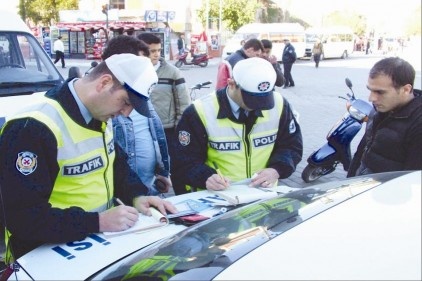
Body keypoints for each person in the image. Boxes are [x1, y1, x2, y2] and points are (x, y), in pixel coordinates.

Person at [0, 53, 177, 262]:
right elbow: (24, 217)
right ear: (104, 83)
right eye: (126, 102)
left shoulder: (99, 113)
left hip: (88, 247)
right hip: (42, 258)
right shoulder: (32, 127)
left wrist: (137, 195)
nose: (126, 113)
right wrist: (98, 222)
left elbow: (115, 164)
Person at [172, 57, 303, 194]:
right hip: (218, 197)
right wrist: (205, 176)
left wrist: (277, 170)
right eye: (251, 98)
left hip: (263, 194)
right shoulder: (200, 111)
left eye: (264, 98)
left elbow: (291, 145)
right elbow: (182, 160)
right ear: (232, 84)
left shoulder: (279, 104)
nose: (258, 106)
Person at [102, 35, 172, 196]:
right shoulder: (105, 108)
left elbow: (156, 134)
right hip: (120, 199)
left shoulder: (139, 92)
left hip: (148, 189)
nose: (126, 110)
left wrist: (162, 171)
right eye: (139, 66)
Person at [347, 57, 422, 177]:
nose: (371, 98)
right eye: (370, 90)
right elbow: (362, 151)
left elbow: (413, 180)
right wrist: (349, 182)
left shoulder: (418, 125)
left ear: (406, 89)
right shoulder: (379, 109)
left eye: (380, 92)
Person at [137, 32, 190, 194]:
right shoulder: (134, 72)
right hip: (141, 130)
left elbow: (184, 104)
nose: (156, 54)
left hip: (167, 131)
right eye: (151, 51)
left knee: (174, 168)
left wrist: (179, 130)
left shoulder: (172, 73)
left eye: (158, 50)